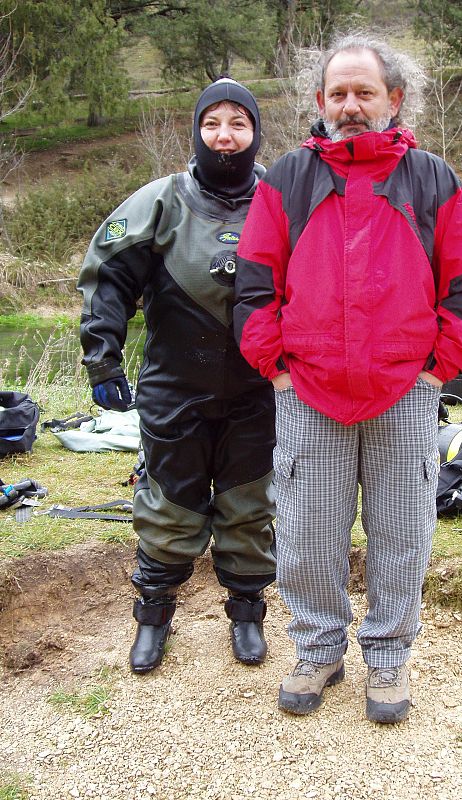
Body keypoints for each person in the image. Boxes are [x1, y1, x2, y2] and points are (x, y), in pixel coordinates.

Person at [233, 34, 462, 723]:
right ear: (320, 100)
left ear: (394, 99)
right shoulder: (287, 179)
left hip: (404, 392)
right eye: (338, 94)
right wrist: (277, 368)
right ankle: (318, 650)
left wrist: (437, 371)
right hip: (308, 391)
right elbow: (255, 286)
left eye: (365, 92)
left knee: (402, 535)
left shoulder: (433, 180)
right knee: (307, 534)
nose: (350, 106)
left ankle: (387, 657)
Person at [78, 78, 276, 674]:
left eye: (238, 124)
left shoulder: (280, 201)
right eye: (212, 123)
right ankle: (153, 617)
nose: (225, 136)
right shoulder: (160, 201)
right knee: (168, 504)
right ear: (196, 131)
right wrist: (102, 357)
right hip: (174, 388)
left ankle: (247, 614)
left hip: (259, 389)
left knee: (249, 504)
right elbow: (108, 276)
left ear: (255, 133)